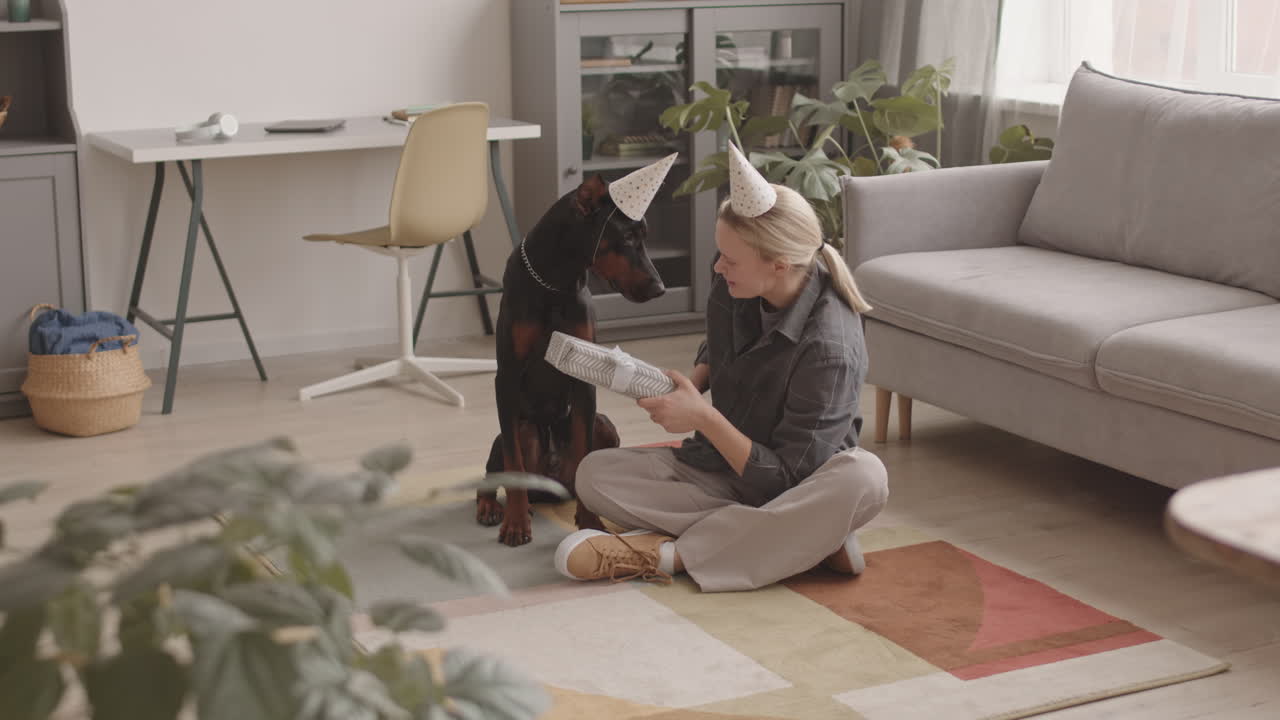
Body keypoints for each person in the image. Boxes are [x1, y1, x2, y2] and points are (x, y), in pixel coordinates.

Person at [552, 144, 889, 592]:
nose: (717, 265)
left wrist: (702, 417)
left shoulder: (830, 347)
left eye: (730, 259)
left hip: (798, 484)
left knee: (865, 479)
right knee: (594, 474)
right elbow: (718, 343)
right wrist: (690, 385)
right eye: (720, 254)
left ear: (779, 264)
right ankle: (808, 536)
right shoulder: (734, 283)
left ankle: (668, 555)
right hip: (719, 467)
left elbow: (787, 480)